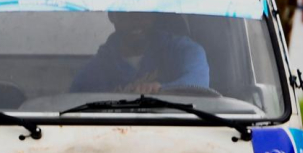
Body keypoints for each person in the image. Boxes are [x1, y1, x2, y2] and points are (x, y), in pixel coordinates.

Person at [70, 10, 211, 96]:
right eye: (126, 10)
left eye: (143, 9)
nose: (136, 18)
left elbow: (198, 88)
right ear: (112, 15)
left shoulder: (184, 52)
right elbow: (70, 103)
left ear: (154, 13)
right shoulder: (96, 69)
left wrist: (160, 90)